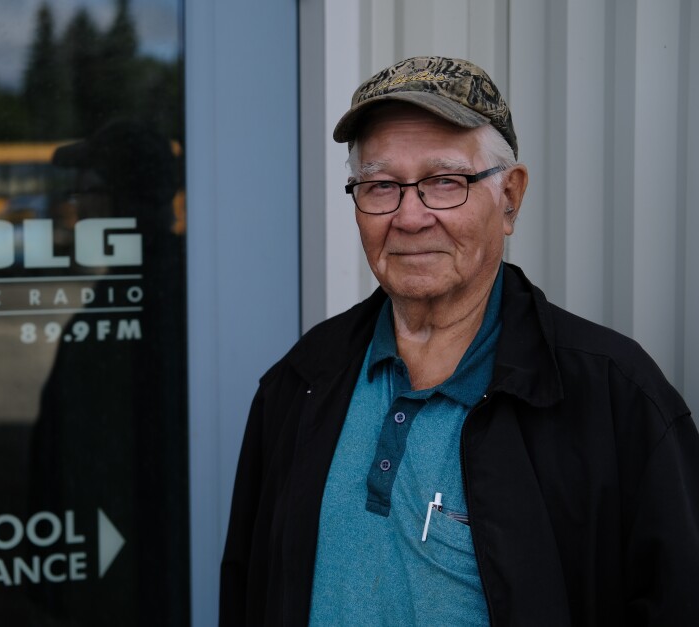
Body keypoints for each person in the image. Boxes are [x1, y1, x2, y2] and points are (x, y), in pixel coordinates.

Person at [220, 56, 699, 626]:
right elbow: (248, 589)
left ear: (511, 198)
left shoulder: (615, 398)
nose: (410, 216)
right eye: (380, 186)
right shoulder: (300, 382)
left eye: (444, 181)